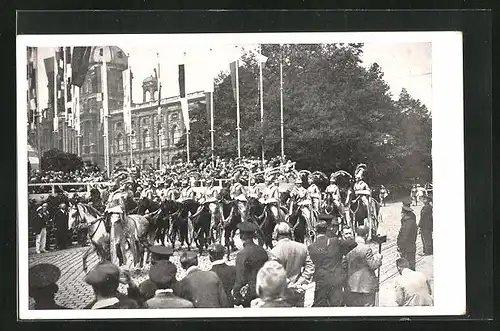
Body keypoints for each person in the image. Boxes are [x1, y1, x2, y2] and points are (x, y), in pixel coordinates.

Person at [308, 216, 357, 307]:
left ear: (315, 231)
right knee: (336, 305)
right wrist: (342, 252)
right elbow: (353, 243)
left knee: (319, 306)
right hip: (336, 280)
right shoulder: (335, 242)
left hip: (321, 281)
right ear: (327, 230)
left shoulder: (311, 247)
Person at [269, 222, 315, 307]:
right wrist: (300, 283)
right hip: (299, 290)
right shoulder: (302, 247)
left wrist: (291, 285)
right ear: (290, 233)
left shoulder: (274, 251)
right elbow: (310, 267)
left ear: (276, 234)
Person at [345, 225, 383, 307]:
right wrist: (378, 259)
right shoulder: (366, 248)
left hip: (351, 285)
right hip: (366, 287)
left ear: (355, 233)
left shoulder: (348, 247)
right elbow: (373, 265)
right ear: (366, 235)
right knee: (367, 313)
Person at [233, 222, 269, 307]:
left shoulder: (242, 254)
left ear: (241, 236)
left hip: (250, 295)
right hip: (264, 290)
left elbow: (240, 278)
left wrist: (236, 296)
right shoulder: (262, 251)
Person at [398, 199, 418, 270]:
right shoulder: (412, 219)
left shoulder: (407, 223)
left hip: (406, 247)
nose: (401, 214)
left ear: (404, 213)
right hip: (412, 245)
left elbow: (404, 236)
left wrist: (400, 246)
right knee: (411, 263)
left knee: (407, 265)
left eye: (402, 213)